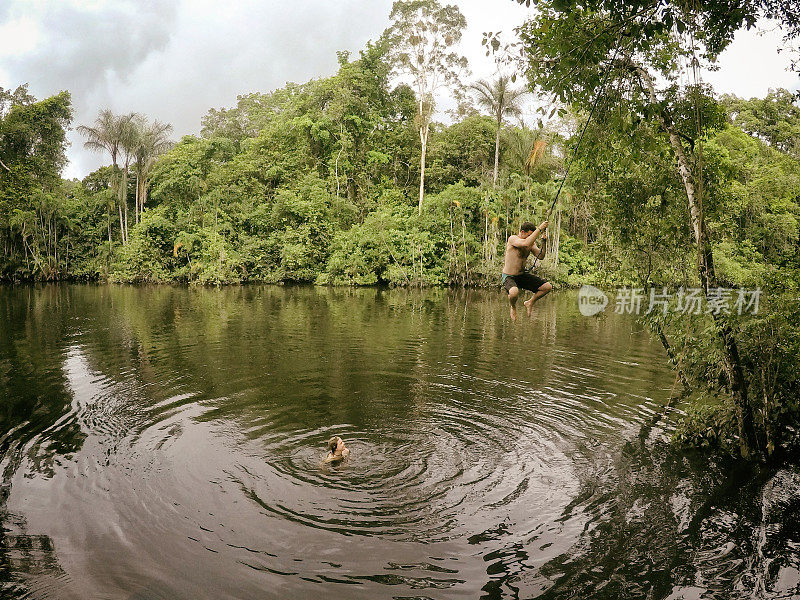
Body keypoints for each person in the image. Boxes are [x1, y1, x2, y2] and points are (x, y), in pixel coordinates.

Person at [502, 220, 553, 320]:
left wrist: (544, 242)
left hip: (521, 275)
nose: (530, 238)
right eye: (529, 235)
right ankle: (513, 307)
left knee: (547, 287)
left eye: (531, 235)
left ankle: (530, 302)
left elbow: (541, 256)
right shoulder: (513, 239)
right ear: (522, 232)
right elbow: (525, 243)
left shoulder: (531, 244)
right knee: (513, 292)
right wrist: (540, 228)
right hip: (509, 276)